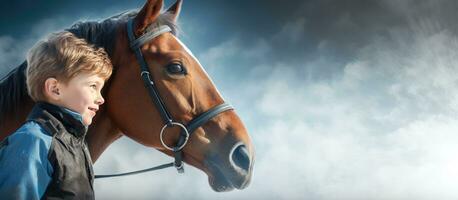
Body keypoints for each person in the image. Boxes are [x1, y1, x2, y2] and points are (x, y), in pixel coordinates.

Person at [0, 31, 112, 199]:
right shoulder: (33, 141)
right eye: (93, 86)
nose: (101, 99)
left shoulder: (76, 145)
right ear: (55, 89)